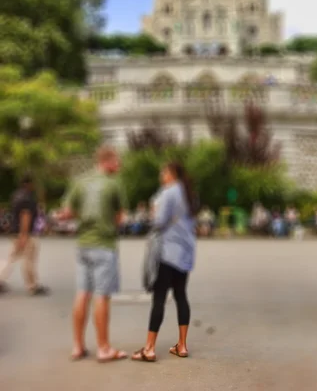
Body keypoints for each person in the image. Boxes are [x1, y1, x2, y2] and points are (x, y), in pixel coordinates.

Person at [56, 146, 128, 362]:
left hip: (83, 245)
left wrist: (81, 217)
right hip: (104, 245)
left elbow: (66, 213)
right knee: (101, 296)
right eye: (117, 161)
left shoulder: (80, 181)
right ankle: (103, 348)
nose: (120, 165)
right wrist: (108, 224)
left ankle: (77, 347)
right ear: (108, 161)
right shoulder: (114, 183)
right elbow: (121, 217)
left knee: (82, 294)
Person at [132, 161, 198, 363]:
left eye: (164, 171)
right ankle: (182, 345)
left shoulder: (168, 193)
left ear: (171, 174)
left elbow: (159, 221)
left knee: (159, 298)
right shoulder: (188, 193)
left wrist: (153, 212)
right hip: (185, 253)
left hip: (168, 252)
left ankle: (149, 348)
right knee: (181, 296)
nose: (161, 174)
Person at [0, 174, 49, 296]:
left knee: (12, 257)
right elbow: (25, 216)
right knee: (29, 259)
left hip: (15, 231)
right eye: (32, 184)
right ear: (28, 184)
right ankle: (33, 286)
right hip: (25, 233)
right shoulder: (27, 198)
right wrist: (24, 235)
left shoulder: (16, 196)